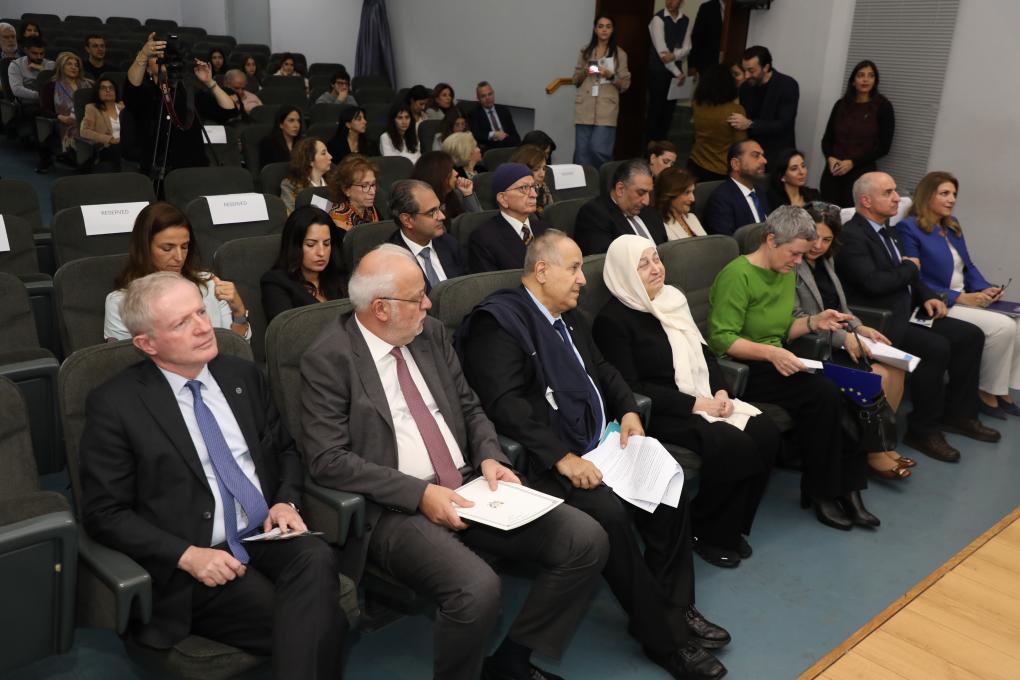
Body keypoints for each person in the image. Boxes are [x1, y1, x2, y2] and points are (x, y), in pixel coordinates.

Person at [299, 244, 610, 680]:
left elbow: (469, 406)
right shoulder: (329, 358)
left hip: (468, 483)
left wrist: (489, 456)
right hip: (395, 508)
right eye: (417, 299)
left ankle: (511, 661)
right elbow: (328, 459)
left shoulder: (429, 334)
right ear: (381, 308)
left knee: (585, 539)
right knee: (476, 590)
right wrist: (420, 494)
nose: (429, 305)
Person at [459, 231, 730, 680]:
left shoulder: (567, 315)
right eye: (573, 268)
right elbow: (505, 406)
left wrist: (628, 410)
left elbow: (602, 368)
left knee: (668, 484)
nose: (583, 279)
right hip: (543, 462)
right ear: (541, 271)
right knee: (610, 516)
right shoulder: (499, 324)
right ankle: (665, 640)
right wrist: (563, 458)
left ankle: (674, 608)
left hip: (601, 445)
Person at [80, 272, 347, 680]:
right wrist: (187, 555)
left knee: (316, 557)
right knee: (316, 621)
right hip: (196, 555)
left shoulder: (242, 376)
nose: (204, 327)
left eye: (201, 312)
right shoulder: (115, 405)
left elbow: (285, 450)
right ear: (147, 344)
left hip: (263, 531)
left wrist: (285, 501)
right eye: (181, 323)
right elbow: (104, 513)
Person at [594, 234, 779, 566]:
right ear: (624, 273)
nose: (656, 268)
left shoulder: (672, 299)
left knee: (766, 432)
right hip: (660, 411)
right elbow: (631, 386)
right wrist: (697, 405)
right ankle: (708, 532)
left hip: (702, 396)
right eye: (643, 264)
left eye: (656, 258)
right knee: (733, 445)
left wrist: (720, 391)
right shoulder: (612, 320)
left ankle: (729, 525)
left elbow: (703, 352)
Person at [708, 205, 875, 531]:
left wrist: (814, 321)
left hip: (776, 357)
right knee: (824, 395)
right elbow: (721, 340)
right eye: (795, 253)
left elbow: (782, 328)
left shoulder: (784, 271)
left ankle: (848, 489)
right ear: (771, 240)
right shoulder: (737, 275)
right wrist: (771, 353)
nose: (799, 262)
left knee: (852, 391)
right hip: (744, 367)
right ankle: (823, 492)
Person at [835, 172, 998, 463]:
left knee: (970, 336)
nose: (897, 198)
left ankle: (959, 414)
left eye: (895, 191)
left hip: (908, 310)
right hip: (878, 320)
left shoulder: (888, 231)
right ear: (866, 201)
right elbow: (874, 283)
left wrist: (927, 296)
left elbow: (910, 275)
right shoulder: (852, 236)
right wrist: (910, 269)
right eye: (888, 193)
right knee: (936, 348)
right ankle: (923, 430)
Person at [797, 203, 913, 479]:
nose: (819, 246)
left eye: (827, 240)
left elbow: (843, 307)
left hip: (841, 337)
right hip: (815, 344)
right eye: (814, 238)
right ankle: (871, 453)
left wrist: (860, 328)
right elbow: (798, 318)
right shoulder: (792, 263)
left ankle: (882, 443)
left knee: (897, 367)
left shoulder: (826, 262)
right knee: (879, 375)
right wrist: (844, 337)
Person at [897, 171, 1020, 419]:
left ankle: (1001, 391)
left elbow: (967, 266)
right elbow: (914, 277)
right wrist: (958, 298)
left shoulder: (951, 225)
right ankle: (984, 391)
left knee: (1018, 323)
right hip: (937, 302)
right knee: (1003, 327)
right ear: (927, 195)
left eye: (954, 194)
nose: (952, 199)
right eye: (944, 193)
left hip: (965, 297)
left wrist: (984, 288)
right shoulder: (908, 227)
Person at [104, 203, 252, 342]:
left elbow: (237, 350)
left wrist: (239, 314)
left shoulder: (209, 284)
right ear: (144, 248)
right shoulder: (120, 302)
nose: (179, 257)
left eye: (184, 247)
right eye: (167, 248)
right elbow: (122, 358)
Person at [124, 34, 236, 176]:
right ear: (147, 68)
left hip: (192, 171)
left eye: (166, 56)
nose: (162, 59)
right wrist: (143, 54)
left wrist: (210, 83)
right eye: (156, 56)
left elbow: (229, 110)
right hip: (156, 172)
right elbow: (131, 90)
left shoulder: (188, 91)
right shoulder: (145, 93)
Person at [820, 60, 895, 208]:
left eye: (870, 76)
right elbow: (827, 139)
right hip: (834, 171)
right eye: (861, 75)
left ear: (875, 81)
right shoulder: (840, 104)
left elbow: (883, 148)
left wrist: (853, 163)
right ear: (853, 81)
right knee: (828, 213)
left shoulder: (883, 106)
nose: (865, 80)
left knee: (852, 213)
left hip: (861, 173)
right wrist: (830, 157)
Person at [261, 205, 346, 322]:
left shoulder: (340, 276)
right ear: (294, 246)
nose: (321, 253)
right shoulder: (276, 282)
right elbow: (285, 330)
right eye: (311, 244)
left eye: (326, 244)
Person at [468, 163, 553, 273]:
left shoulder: (546, 230)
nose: (534, 194)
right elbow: (490, 282)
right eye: (524, 188)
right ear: (503, 198)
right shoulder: (484, 239)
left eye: (533, 187)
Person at [386, 179, 466, 293]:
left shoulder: (449, 243)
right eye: (432, 212)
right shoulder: (389, 261)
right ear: (407, 220)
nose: (442, 216)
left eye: (440, 208)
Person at [572, 15, 631, 167]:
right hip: (584, 107)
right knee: (582, 154)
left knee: (599, 150)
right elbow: (575, 80)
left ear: (613, 30)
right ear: (595, 29)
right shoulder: (585, 51)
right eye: (600, 26)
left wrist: (610, 75)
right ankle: (585, 182)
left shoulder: (620, 54)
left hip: (606, 109)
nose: (604, 30)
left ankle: (602, 180)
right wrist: (585, 71)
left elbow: (625, 84)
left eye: (608, 26)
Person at [575, 159, 668, 255]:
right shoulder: (594, 214)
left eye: (649, 193)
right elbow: (604, 259)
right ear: (620, 189)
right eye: (641, 193)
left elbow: (664, 249)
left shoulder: (650, 212)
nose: (646, 202)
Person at [729, 46, 799, 166]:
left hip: (777, 155)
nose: (746, 75)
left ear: (766, 67)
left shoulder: (787, 85)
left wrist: (750, 124)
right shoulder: (745, 87)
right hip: (752, 155)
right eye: (744, 70)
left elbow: (784, 124)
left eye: (751, 71)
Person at [688, 63, 746, 183]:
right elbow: (740, 143)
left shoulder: (697, 104)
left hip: (696, 161)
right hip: (720, 168)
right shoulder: (735, 110)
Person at [701, 140, 770, 236]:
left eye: (763, 156)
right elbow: (728, 242)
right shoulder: (720, 200)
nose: (764, 161)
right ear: (736, 164)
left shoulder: (760, 192)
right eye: (755, 155)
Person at [646, 0, 692, 142]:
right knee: (656, 111)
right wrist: (677, 72)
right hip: (659, 72)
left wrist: (675, 55)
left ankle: (663, 147)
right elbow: (663, 54)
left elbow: (687, 48)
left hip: (675, 74)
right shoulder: (658, 19)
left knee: (669, 112)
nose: (670, 2)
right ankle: (650, 148)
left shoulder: (685, 20)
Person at [412, 150, 481, 227]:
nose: (456, 173)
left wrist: (468, 194)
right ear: (438, 174)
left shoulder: (457, 194)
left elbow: (480, 221)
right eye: (450, 170)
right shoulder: (422, 203)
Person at [40, 51, 90, 155]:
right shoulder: (51, 86)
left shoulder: (88, 84)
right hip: (66, 123)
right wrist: (60, 117)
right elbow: (44, 110)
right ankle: (82, 158)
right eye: (69, 64)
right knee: (78, 131)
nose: (74, 67)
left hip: (90, 121)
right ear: (61, 67)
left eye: (76, 65)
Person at [79, 76, 124, 170]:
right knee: (116, 149)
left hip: (125, 144)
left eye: (111, 88)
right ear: (97, 92)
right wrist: (109, 139)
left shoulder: (123, 108)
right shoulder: (91, 108)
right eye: (103, 88)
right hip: (106, 147)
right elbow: (85, 131)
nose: (108, 90)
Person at [326, 154, 380, 232]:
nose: (373, 192)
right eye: (364, 186)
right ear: (346, 190)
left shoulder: (372, 211)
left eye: (373, 184)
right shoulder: (336, 223)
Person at [279, 137, 332, 213]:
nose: (330, 157)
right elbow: (293, 215)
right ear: (310, 160)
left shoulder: (334, 183)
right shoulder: (290, 186)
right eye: (323, 153)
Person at [655, 166, 707, 240]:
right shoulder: (660, 226)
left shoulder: (692, 218)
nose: (693, 199)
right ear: (671, 194)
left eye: (692, 192)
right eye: (687, 193)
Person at [468, 81, 521, 150]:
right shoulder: (474, 113)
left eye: (490, 94)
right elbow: (476, 134)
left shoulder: (504, 110)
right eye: (483, 96)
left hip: (508, 143)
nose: (488, 98)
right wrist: (494, 134)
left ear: (493, 94)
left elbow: (514, 133)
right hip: (491, 147)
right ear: (478, 99)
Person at [7, 36, 53, 105]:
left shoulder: (50, 64)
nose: (39, 57)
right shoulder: (16, 65)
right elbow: (17, 90)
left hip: (48, 104)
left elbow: (56, 88)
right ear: (26, 50)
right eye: (35, 53)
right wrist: (41, 96)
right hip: (26, 104)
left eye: (42, 53)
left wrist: (43, 71)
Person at [510, 144, 555, 215]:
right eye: (536, 169)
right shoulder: (512, 195)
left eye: (544, 169)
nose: (542, 174)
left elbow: (550, 214)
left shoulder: (542, 187)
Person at [689, 0, 724, 77]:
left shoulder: (738, 7)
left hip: (728, 65)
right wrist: (692, 65)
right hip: (707, 65)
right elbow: (696, 37)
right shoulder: (707, 7)